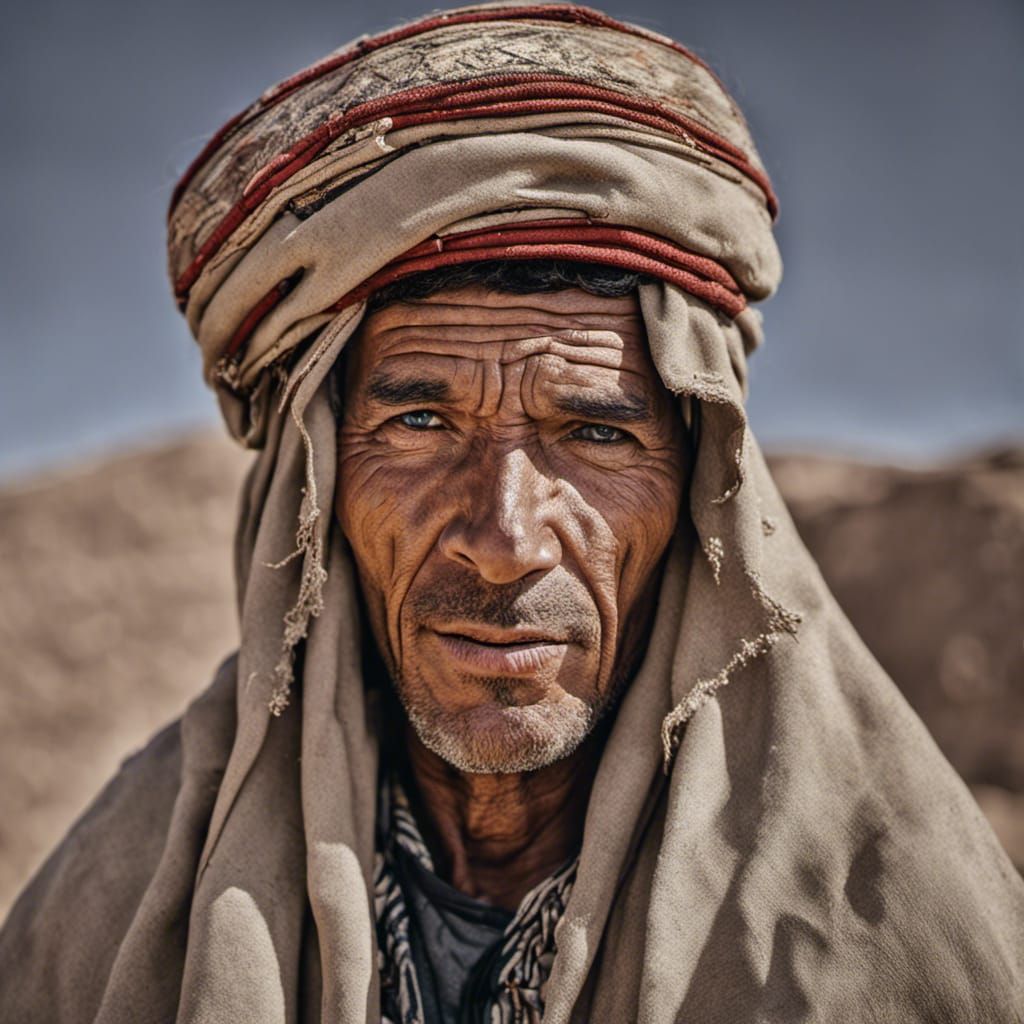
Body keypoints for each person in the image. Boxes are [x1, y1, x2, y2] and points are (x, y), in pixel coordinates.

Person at [1, 4, 1021, 1022]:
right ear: (314, 486)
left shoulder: (892, 926)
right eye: (419, 423)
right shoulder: (118, 914)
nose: (504, 540)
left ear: (699, 485)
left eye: (597, 435)